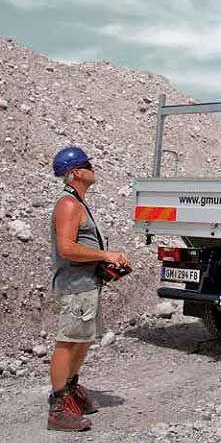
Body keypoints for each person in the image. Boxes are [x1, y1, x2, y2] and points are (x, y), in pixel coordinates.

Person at [47, 146, 129, 432]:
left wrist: (105, 263)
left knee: (82, 339)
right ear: (76, 173)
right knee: (68, 341)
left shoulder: (78, 203)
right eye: (88, 165)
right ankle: (58, 407)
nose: (93, 169)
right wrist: (105, 255)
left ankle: (70, 389)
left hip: (86, 284)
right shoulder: (68, 205)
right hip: (75, 287)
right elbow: (66, 248)